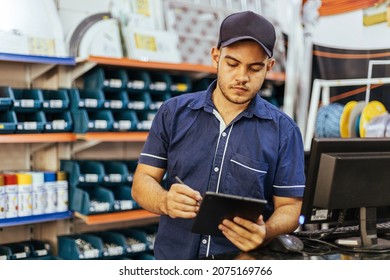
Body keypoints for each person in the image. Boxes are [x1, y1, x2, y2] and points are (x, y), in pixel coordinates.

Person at [132, 10, 306, 259]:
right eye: (232, 64)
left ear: (269, 67)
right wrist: (164, 201)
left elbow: (290, 207)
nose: (242, 77)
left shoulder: (284, 131)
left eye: (255, 68)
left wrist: (266, 231)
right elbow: (142, 182)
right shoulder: (173, 112)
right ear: (216, 57)